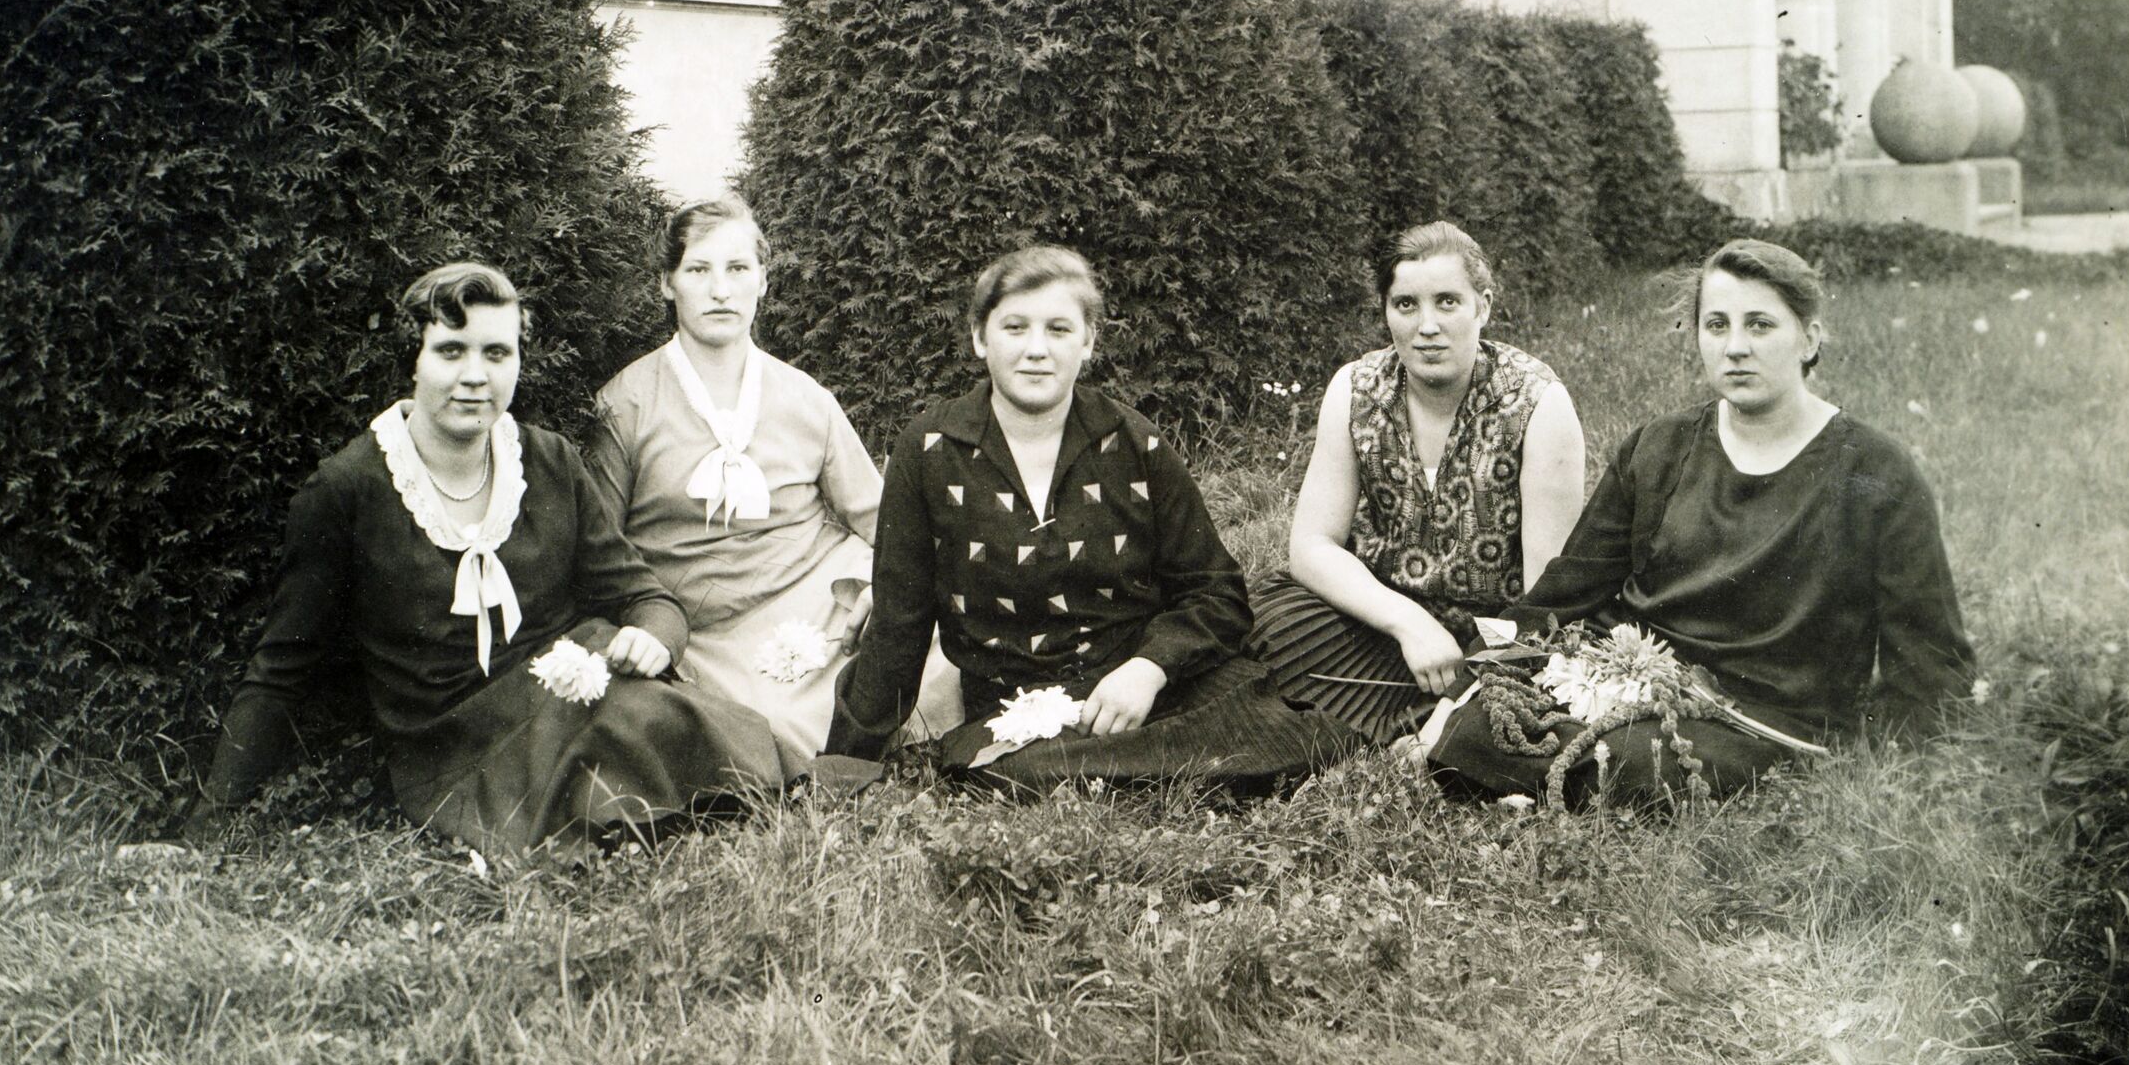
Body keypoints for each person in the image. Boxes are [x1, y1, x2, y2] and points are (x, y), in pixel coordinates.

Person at [192, 261, 804, 857]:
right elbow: (281, 667)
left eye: (496, 353)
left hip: (573, 695)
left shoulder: (549, 461)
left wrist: (655, 638)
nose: (475, 377)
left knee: (664, 723)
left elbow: (646, 596)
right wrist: (208, 820)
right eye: (450, 352)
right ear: (412, 360)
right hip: (455, 744)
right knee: (625, 744)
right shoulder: (349, 488)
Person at [1424, 237, 1977, 808]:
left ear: (1809, 339)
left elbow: (1931, 659)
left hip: (1762, 718)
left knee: (1632, 763)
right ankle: (1527, 778)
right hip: (1634, 683)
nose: (1735, 347)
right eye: (1717, 325)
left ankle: (1527, 786)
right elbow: (1566, 593)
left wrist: (1892, 770)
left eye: (1760, 325)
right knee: (1487, 724)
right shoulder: (1660, 446)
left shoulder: (1876, 471)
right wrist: (1473, 684)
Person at [829, 245, 1365, 793]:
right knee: (1013, 769)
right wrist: (846, 764)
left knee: (1274, 730)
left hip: (1144, 691)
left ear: (1087, 342)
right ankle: (1150, 768)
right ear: (979, 337)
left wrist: (1149, 669)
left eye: (1059, 329)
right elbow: (899, 624)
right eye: (1015, 327)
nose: (1036, 349)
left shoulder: (1135, 442)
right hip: (1021, 713)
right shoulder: (928, 451)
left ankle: (1163, 760)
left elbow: (1217, 593)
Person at [1251, 222, 1586, 742]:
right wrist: (1409, 623)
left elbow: (1547, 599)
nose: (1427, 326)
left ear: (1483, 307)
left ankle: (1438, 717)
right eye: (1406, 305)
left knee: (1518, 706)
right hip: (1381, 623)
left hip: (1494, 642)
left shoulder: (1536, 403)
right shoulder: (1358, 389)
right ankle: (1401, 714)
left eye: (1447, 302)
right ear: (1386, 311)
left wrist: (1473, 670)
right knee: (1262, 626)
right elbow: (1312, 546)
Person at [586, 196, 885, 756]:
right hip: (710, 629)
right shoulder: (625, 404)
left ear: (763, 281)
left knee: (936, 637)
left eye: (738, 269)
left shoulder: (806, 397)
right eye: (699, 270)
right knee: (768, 723)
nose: (721, 290)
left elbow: (882, 520)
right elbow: (600, 551)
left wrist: (882, 586)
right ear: (667, 283)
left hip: (820, 594)